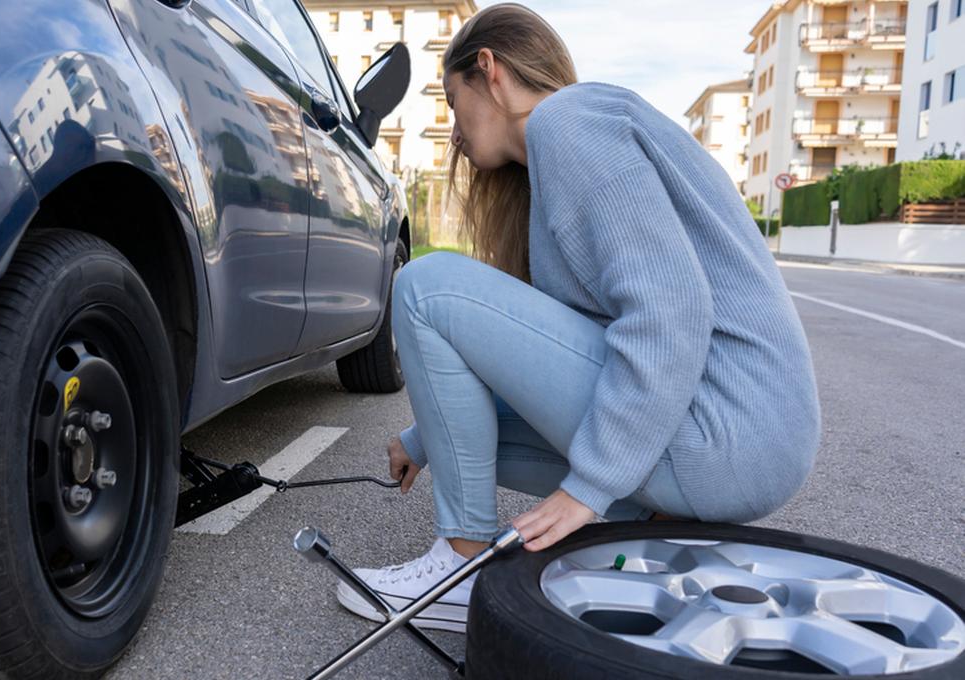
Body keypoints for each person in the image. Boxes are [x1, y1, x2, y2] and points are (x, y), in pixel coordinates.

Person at [335, 3, 822, 633]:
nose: (452, 131)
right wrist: (424, 440)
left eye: (454, 104)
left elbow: (670, 309)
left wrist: (585, 491)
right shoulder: (560, 156)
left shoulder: (570, 121)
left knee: (425, 286)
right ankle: (649, 531)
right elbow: (561, 359)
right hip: (729, 445)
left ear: (490, 70)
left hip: (725, 431)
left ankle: (459, 569)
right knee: (468, 430)